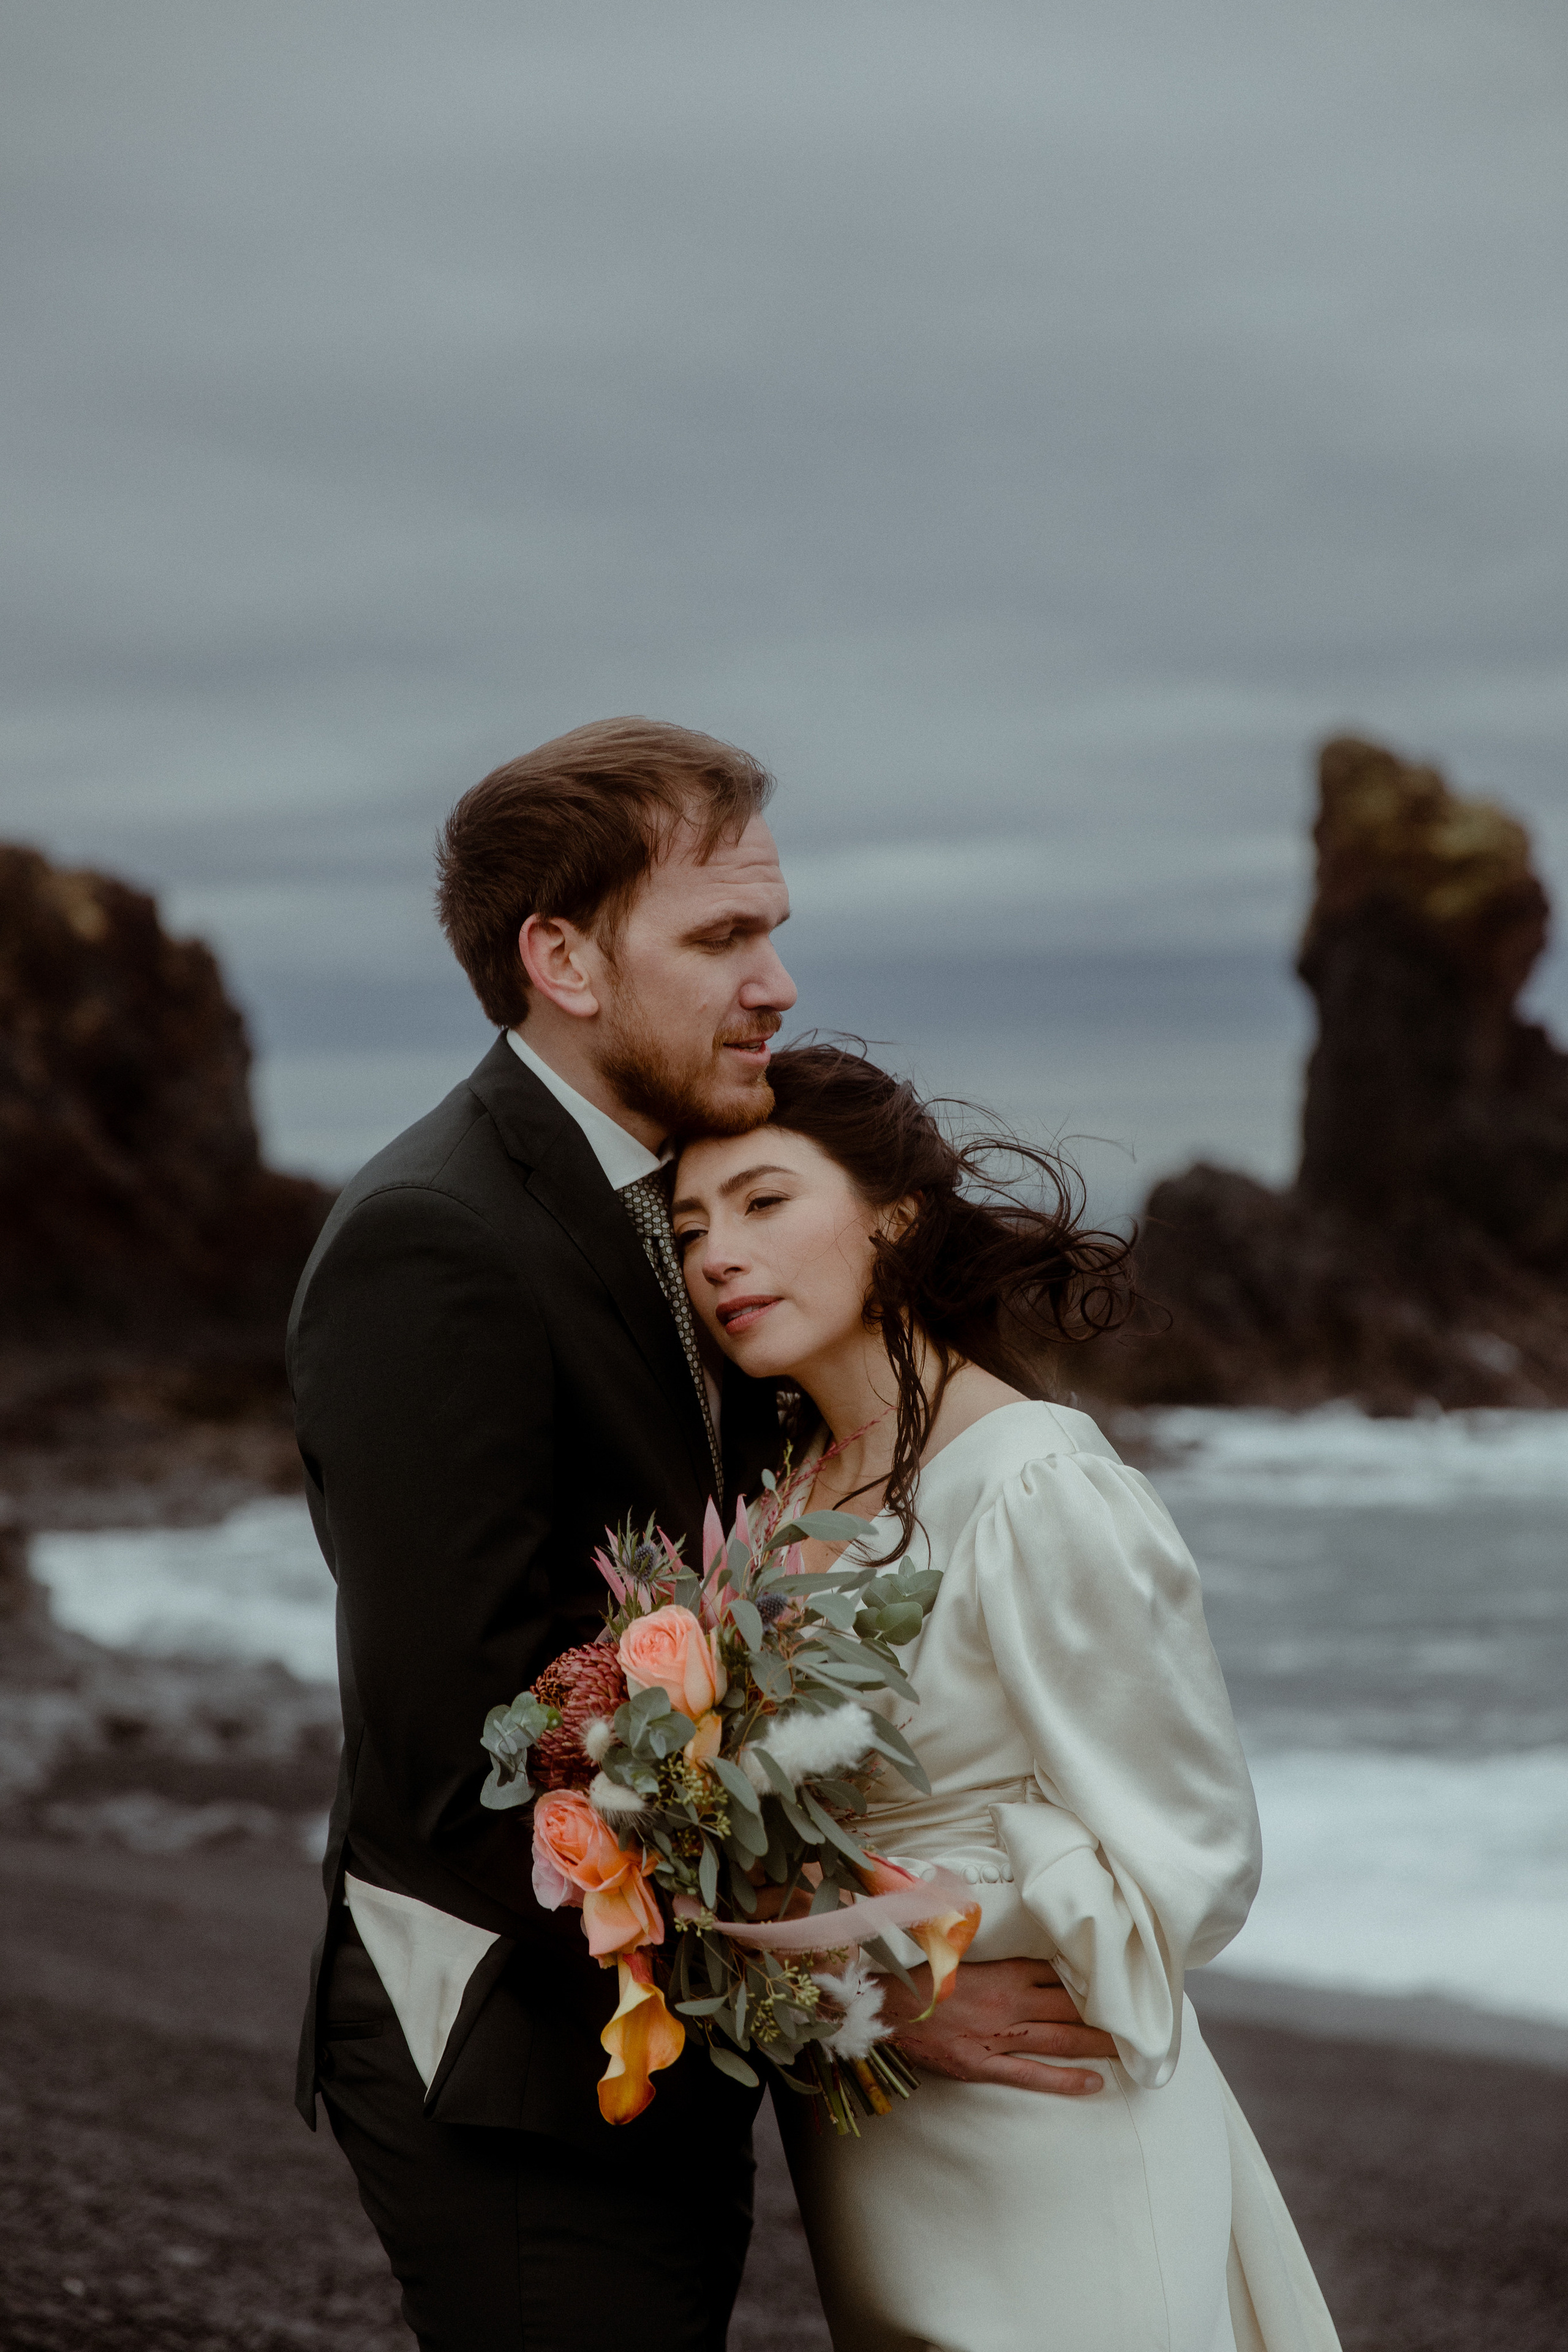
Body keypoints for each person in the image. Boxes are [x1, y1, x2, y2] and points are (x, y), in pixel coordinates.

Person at [286, 720, 1115, 2352]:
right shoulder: (434, 1243)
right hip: (516, 2068)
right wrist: (866, 1991)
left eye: (775, 932)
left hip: (650, 2042)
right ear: (563, 960)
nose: (780, 981)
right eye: (725, 937)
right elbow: (467, 1772)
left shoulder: (678, 1195)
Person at [671, 1042, 1343, 2352]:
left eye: (761, 1202)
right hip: (873, 2114)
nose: (714, 1255)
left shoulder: (1031, 1478)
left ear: (895, 1218)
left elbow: (1189, 1862)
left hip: (1049, 2106)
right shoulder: (766, 1515)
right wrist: (839, 1983)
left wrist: (919, 1948)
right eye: (690, 1225)